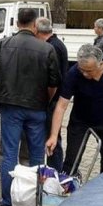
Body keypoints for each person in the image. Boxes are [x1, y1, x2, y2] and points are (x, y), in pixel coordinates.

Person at [0, 8, 60, 206]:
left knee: (9, 153)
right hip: (37, 106)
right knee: (37, 154)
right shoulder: (46, 48)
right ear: (35, 25)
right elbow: (54, 81)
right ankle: (37, 201)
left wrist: (6, 87)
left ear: (17, 23)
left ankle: (8, 204)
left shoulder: (3, 44)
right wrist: (44, 99)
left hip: (10, 105)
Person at [46, 44, 103, 174]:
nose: (84, 73)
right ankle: (69, 187)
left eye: (88, 71)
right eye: (81, 69)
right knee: (71, 160)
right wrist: (54, 136)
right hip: (80, 122)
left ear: (100, 64)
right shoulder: (73, 73)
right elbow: (61, 106)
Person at [35, 17, 68, 172]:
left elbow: (52, 79)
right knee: (53, 136)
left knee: (52, 137)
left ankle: (55, 171)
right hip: (55, 99)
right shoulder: (57, 43)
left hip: (53, 100)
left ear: (38, 31)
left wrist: (47, 99)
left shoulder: (51, 47)